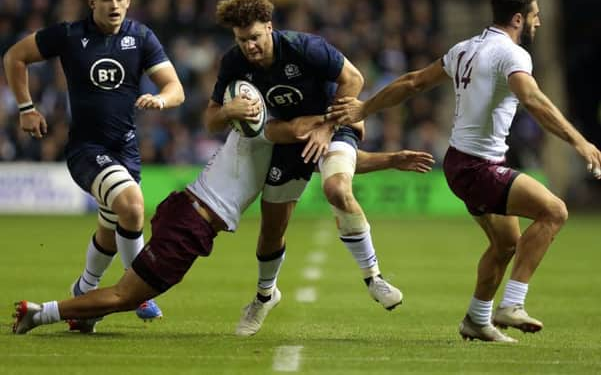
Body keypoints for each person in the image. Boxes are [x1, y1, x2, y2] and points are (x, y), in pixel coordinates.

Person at [325, 0, 601, 343]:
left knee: (505, 244)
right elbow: (532, 99)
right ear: (519, 18)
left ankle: (477, 319)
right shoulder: (512, 55)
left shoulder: (466, 48)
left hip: (461, 163)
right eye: (535, 15)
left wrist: (365, 107)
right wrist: (579, 141)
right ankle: (512, 304)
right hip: (479, 168)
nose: (538, 21)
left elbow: (412, 82)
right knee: (555, 212)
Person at [13, 121, 434, 334]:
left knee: (129, 287)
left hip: (186, 211)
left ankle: (82, 311)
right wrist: (334, 118)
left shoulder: (279, 132)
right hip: (191, 223)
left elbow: (331, 156)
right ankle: (43, 313)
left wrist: (388, 158)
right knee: (127, 296)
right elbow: (309, 133)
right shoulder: (267, 125)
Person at [207, 0, 408, 337]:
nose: (250, 46)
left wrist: (328, 127)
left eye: (255, 37)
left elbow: (354, 79)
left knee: (336, 188)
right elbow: (210, 120)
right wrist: (227, 111)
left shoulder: (304, 47)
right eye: (242, 40)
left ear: (269, 27)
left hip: (334, 123)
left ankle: (374, 278)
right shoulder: (233, 63)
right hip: (288, 140)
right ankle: (264, 296)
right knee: (272, 228)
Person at [3, 0, 185, 331]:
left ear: (129, 0)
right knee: (132, 205)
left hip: (126, 151)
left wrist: (161, 100)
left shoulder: (142, 37)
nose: (114, 5)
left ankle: (83, 291)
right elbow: (14, 57)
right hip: (86, 150)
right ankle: (141, 290)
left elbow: (175, 88)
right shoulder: (70, 35)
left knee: (110, 227)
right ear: (92, 2)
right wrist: (26, 108)